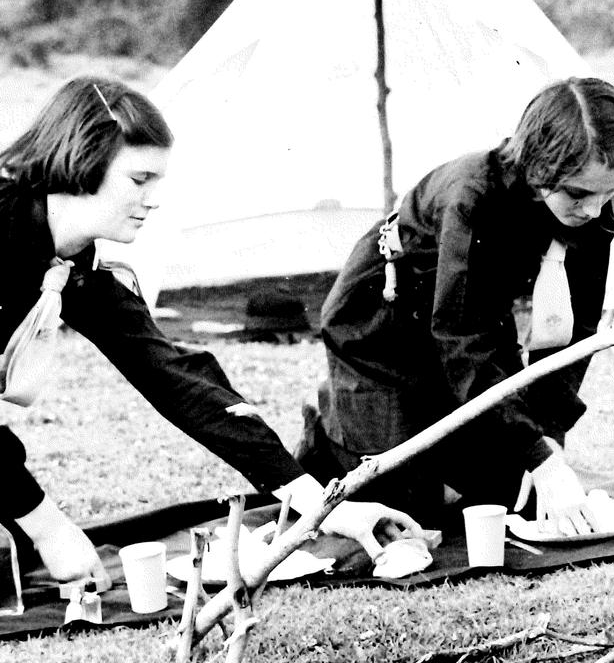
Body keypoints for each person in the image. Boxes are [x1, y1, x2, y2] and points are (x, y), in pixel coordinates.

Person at [0, 77, 421, 588]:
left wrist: (322, 508)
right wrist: (48, 528)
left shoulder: (73, 259)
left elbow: (176, 378)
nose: (153, 200)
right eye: (139, 180)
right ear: (83, 160)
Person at [297, 76, 614, 535]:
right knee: (405, 509)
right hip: (380, 324)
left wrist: (548, 443)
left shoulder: (591, 206)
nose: (592, 209)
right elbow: (459, 339)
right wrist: (538, 458)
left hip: (473, 317)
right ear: (538, 164)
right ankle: (329, 431)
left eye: (608, 192)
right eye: (578, 194)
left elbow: (573, 333)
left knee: (507, 496)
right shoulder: (474, 194)